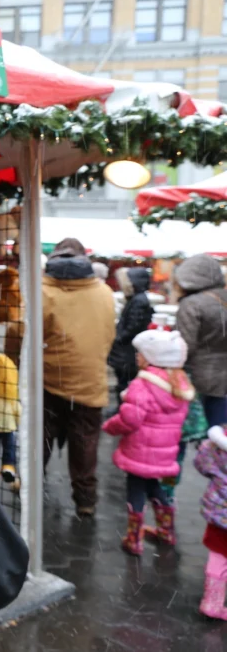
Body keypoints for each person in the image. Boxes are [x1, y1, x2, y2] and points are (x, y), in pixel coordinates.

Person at [42, 238, 116, 518]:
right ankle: (85, 499)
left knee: (42, 439)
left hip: (50, 380)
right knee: (85, 443)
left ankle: (31, 486)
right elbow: (108, 336)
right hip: (90, 381)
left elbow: (29, 337)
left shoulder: (41, 292)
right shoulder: (105, 292)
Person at [102, 330, 193, 555]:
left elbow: (130, 419)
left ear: (152, 357)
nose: (136, 356)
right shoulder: (179, 382)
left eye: (140, 353)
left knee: (136, 489)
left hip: (139, 450)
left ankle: (134, 538)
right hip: (164, 451)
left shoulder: (142, 385)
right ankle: (166, 530)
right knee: (154, 486)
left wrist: (110, 426)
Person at [174, 254, 227, 427]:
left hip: (199, 376)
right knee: (219, 429)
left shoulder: (192, 304)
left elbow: (184, 346)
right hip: (223, 376)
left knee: (190, 428)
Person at [193, 423, 227, 620]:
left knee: (218, 555)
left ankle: (211, 602)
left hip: (219, 514)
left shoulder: (218, 442)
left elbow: (201, 462)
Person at [108, 267, 154, 396]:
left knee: (125, 382)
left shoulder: (138, 300)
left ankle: (122, 409)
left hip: (127, 352)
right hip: (127, 351)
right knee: (125, 381)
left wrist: (118, 339)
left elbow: (132, 327)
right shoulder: (137, 299)